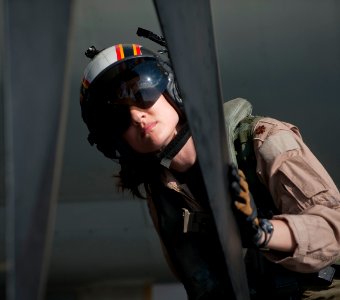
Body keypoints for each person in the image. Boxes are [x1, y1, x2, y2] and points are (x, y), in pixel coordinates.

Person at [79, 42, 340, 299]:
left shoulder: (261, 139)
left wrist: (262, 232)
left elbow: (333, 231)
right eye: (120, 118)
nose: (137, 116)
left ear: (173, 89)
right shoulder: (162, 194)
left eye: (141, 93)